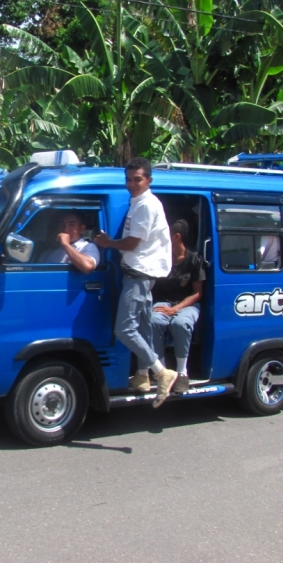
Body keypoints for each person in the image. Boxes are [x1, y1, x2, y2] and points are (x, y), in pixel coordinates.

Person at [94, 158, 175, 408]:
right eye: (128, 179)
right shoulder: (138, 202)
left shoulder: (147, 205)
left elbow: (131, 243)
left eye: (137, 179)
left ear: (148, 180)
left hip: (139, 274)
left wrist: (108, 243)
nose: (131, 184)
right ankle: (142, 376)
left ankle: (161, 372)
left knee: (125, 329)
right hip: (139, 272)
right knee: (143, 327)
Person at [151, 219, 205, 394]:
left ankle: (182, 373)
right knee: (153, 321)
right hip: (164, 302)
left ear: (176, 236)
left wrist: (175, 309)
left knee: (180, 323)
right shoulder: (162, 257)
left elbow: (197, 293)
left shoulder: (194, 260)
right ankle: (162, 373)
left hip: (188, 303)